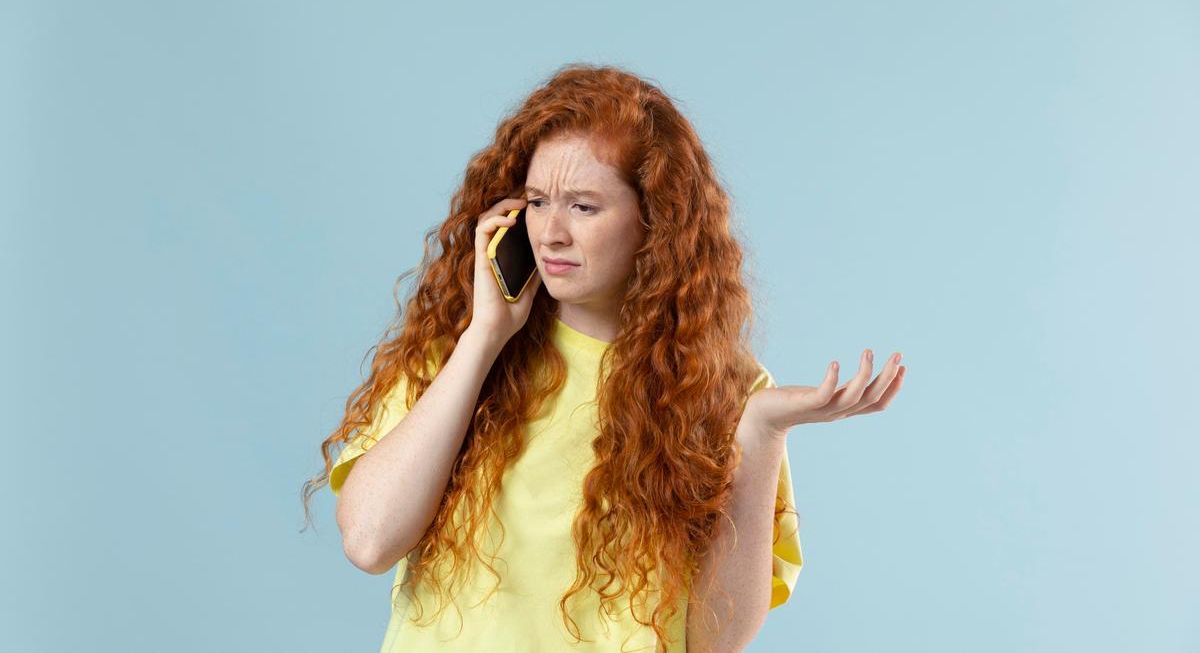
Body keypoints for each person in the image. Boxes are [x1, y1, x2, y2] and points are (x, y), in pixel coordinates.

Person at [301, 63, 906, 653]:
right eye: (538, 202)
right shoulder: (458, 351)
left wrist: (762, 432)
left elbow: (713, 641)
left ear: (655, 221)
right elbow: (370, 541)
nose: (551, 232)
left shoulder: (726, 388)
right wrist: (486, 335)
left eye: (584, 207)